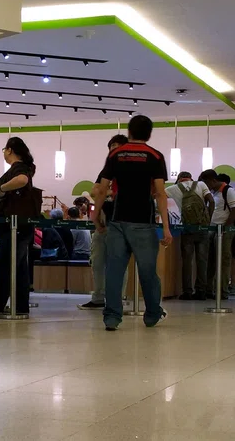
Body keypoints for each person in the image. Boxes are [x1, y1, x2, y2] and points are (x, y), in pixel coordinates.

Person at [93, 115, 171, 331]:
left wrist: (96, 215)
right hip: (143, 221)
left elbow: (102, 189)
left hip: (117, 220)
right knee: (147, 271)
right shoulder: (155, 156)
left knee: (114, 270)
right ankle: (152, 314)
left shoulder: (115, 154)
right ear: (149, 134)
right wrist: (166, 226)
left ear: (129, 132)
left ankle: (112, 317)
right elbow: (160, 193)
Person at [0, 137, 36, 315]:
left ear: (10, 150)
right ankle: (20, 305)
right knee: (19, 268)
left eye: (4, 149)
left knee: (7, 266)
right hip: (21, 226)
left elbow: (22, 180)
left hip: (14, 227)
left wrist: (2, 189)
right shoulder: (22, 167)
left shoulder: (18, 168)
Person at [79, 135, 129, 310]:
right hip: (102, 221)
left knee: (119, 262)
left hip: (122, 221)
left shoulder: (131, 171)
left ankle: (118, 298)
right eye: (111, 147)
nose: (113, 150)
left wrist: (105, 191)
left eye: (117, 147)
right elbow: (94, 191)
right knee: (97, 260)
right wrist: (109, 192)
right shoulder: (106, 171)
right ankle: (98, 297)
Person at [166, 171, 215, 300]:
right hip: (202, 228)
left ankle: (187, 291)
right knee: (202, 260)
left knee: (187, 261)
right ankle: (201, 291)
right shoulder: (201, 185)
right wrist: (208, 220)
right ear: (191, 178)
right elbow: (211, 201)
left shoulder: (172, 189)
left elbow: (158, 199)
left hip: (187, 229)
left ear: (178, 179)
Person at [200, 169, 235, 300]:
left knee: (223, 260)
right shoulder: (213, 192)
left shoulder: (228, 190)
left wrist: (225, 227)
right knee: (210, 260)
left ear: (213, 180)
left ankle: (222, 291)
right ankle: (209, 289)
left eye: (206, 183)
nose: (206, 186)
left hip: (224, 230)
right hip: (212, 229)